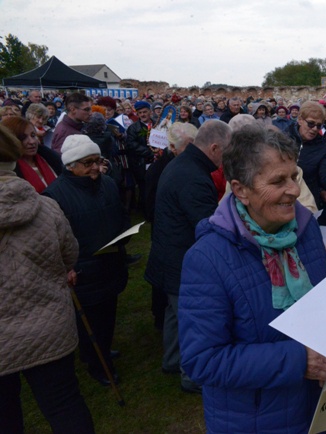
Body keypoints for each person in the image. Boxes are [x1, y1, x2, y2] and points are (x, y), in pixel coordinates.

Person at [178, 125, 326, 433]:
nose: (293, 190)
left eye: (294, 176)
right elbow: (202, 359)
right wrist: (297, 361)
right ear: (240, 189)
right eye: (278, 181)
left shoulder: (305, 233)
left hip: (315, 410)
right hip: (253, 420)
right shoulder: (208, 259)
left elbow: (322, 306)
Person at [0, 125, 95, 434]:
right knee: (65, 405)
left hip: (42, 325)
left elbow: (69, 257)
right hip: (48, 323)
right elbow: (68, 256)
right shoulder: (46, 208)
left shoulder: (46, 206)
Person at [145, 120, 231, 393]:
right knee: (191, 317)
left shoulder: (187, 164)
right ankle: (191, 375)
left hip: (168, 253)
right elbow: (207, 222)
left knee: (175, 312)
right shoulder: (193, 175)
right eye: (226, 153)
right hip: (180, 258)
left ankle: (172, 360)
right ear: (214, 148)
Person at [43, 135, 130, 387]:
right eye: (87, 162)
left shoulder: (108, 184)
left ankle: (100, 349)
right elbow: (53, 239)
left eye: (97, 160)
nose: (95, 167)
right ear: (70, 165)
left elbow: (120, 214)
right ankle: (99, 365)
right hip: (83, 270)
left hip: (110, 262)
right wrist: (66, 266)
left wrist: (123, 234)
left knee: (108, 314)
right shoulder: (54, 195)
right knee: (91, 321)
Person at [143, 122, 198, 330]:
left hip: (172, 232)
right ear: (173, 147)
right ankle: (160, 317)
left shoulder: (183, 165)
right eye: (188, 145)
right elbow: (149, 206)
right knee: (165, 282)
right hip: (166, 232)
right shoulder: (161, 169)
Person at [287, 101, 326, 209]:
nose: (315, 129)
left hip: (306, 201)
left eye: (319, 125)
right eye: (311, 123)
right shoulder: (283, 138)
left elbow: (325, 169)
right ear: (300, 120)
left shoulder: (321, 145)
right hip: (284, 195)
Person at [2, 116, 62, 192]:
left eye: (33, 135)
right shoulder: (7, 172)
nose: (32, 142)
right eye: (23, 137)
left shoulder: (51, 158)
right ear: (10, 140)